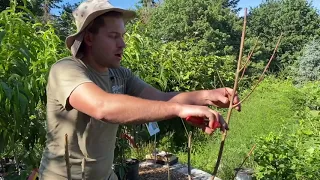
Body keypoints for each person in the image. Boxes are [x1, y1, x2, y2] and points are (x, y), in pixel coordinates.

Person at [38, 0, 241, 179]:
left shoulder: (120, 75)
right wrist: (181, 110)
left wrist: (207, 96)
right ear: (89, 38)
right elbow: (102, 107)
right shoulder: (66, 69)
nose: (123, 44)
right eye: (113, 36)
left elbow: (162, 99)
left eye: (122, 36)